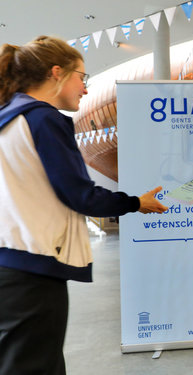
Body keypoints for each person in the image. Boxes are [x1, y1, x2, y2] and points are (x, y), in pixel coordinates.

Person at [0, 36, 168, 375]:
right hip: (32, 272)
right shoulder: (42, 119)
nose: (86, 89)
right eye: (82, 77)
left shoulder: (9, 119)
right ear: (56, 73)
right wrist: (136, 203)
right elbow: (80, 195)